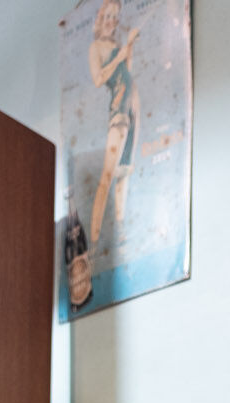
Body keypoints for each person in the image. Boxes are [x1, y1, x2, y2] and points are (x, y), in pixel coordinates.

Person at [88, 0, 140, 250]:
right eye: (107, 16)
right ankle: (95, 239)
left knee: (123, 174)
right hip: (118, 111)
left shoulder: (117, 46)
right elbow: (99, 79)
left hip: (130, 111)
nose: (111, 21)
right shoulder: (96, 47)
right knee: (107, 176)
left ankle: (119, 230)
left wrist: (129, 48)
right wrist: (119, 56)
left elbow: (127, 73)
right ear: (101, 19)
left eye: (115, 16)